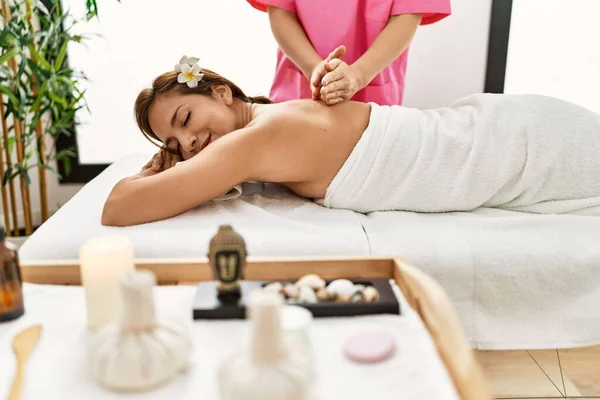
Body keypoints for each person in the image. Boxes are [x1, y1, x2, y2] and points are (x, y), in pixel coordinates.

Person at [101, 58, 600, 227]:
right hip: (500, 128)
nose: (188, 142)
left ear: (222, 92)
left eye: (186, 119)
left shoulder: (256, 138)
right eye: (175, 141)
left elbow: (119, 207)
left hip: (517, 144)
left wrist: (155, 165)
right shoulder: (268, 120)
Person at [246, 0, 451, 105]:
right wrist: (314, 69)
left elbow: (407, 15)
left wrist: (358, 76)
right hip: (298, 88)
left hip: (372, 94)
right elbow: (281, 12)